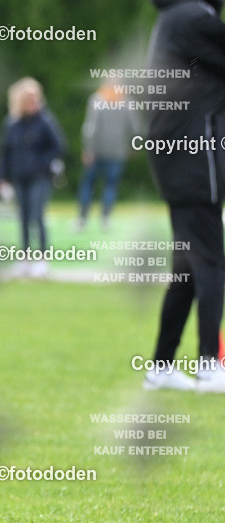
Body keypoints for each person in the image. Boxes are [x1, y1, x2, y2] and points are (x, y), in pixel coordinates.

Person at [142, 0, 225, 391]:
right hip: (194, 158)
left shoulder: (173, 19)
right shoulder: (195, 17)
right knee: (211, 261)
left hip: (177, 159)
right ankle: (209, 364)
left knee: (188, 268)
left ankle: (161, 366)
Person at [0, 77, 66, 278]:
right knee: (23, 218)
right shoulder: (12, 123)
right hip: (19, 177)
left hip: (39, 177)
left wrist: (42, 165)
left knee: (38, 215)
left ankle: (42, 259)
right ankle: (24, 258)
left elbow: (58, 146)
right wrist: (1, 178)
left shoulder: (45, 121)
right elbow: (4, 152)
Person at [77, 82, 138, 230]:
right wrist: (133, 146)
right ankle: (105, 219)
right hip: (117, 151)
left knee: (88, 184)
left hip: (96, 151)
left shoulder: (97, 100)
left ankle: (82, 219)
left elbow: (90, 127)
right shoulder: (128, 102)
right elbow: (135, 127)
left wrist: (88, 148)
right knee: (110, 186)